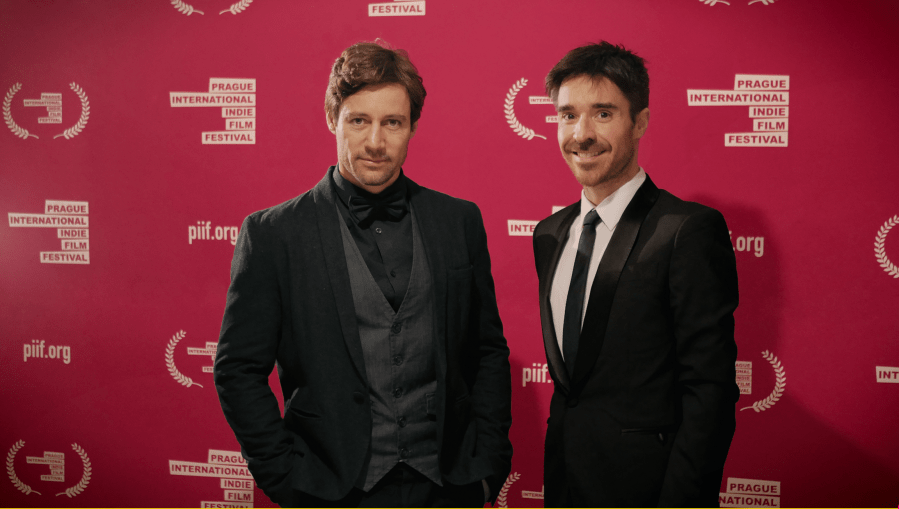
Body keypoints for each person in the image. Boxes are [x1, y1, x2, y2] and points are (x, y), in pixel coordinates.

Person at [214, 41, 512, 507]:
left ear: (412, 127)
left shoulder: (459, 221)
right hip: (331, 487)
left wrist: (487, 467)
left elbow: (487, 350)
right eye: (358, 121)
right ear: (332, 119)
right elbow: (238, 370)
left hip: (448, 486)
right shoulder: (273, 234)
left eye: (392, 122)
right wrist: (288, 479)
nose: (375, 142)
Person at [532, 41, 739, 507]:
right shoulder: (549, 234)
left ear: (640, 122)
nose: (581, 134)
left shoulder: (686, 230)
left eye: (603, 114)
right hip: (565, 487)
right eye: (568, 115)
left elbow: (709, 390)